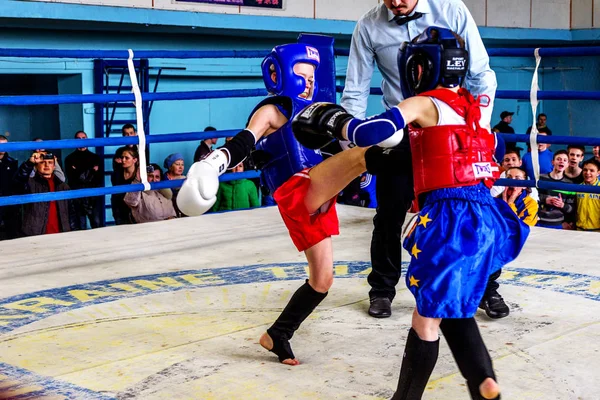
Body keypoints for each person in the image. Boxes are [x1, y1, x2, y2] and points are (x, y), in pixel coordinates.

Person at [291, 27, 528, 399]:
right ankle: (475, 380)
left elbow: (374, 131)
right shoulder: (475, 106)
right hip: (488, 214)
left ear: (419, 67)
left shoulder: (424, 103)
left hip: (450, 214)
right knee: (439, 309)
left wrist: (338, 123)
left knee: (435, 314)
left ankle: (447, 387)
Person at [177, 43, 392, 366]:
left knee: (323, 280)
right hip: (298, 188)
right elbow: (244, 141)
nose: (307, 82)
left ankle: (278, 334)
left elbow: (328, 151)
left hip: (318, 192)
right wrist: (214, 164)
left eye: (311, 76)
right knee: (369, 153)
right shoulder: (273, 110)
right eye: (300, 74)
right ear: (278, 74)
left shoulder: (314, 112)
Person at [340, 0, 498, 318]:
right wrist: (350, 149)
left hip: (450, 132)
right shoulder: (368, 25)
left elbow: (480, 75)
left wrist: (474, 130)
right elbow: (355, 90)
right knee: (388, 216)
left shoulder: (452, 10)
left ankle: (486, 289)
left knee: (467, 214)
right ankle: (382, 291)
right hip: (400, 131)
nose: (396, 2)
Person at [64, 131, 103, 229]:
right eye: (78, 139)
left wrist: (78, 171)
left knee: (97, 224)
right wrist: (91, 171)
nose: (81, 141)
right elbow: (72, 178)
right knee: (81, 226)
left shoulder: (95, 157)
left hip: (93, 196)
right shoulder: (69, 159)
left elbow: (99, 178)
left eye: (84, 138)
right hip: (78, 196)